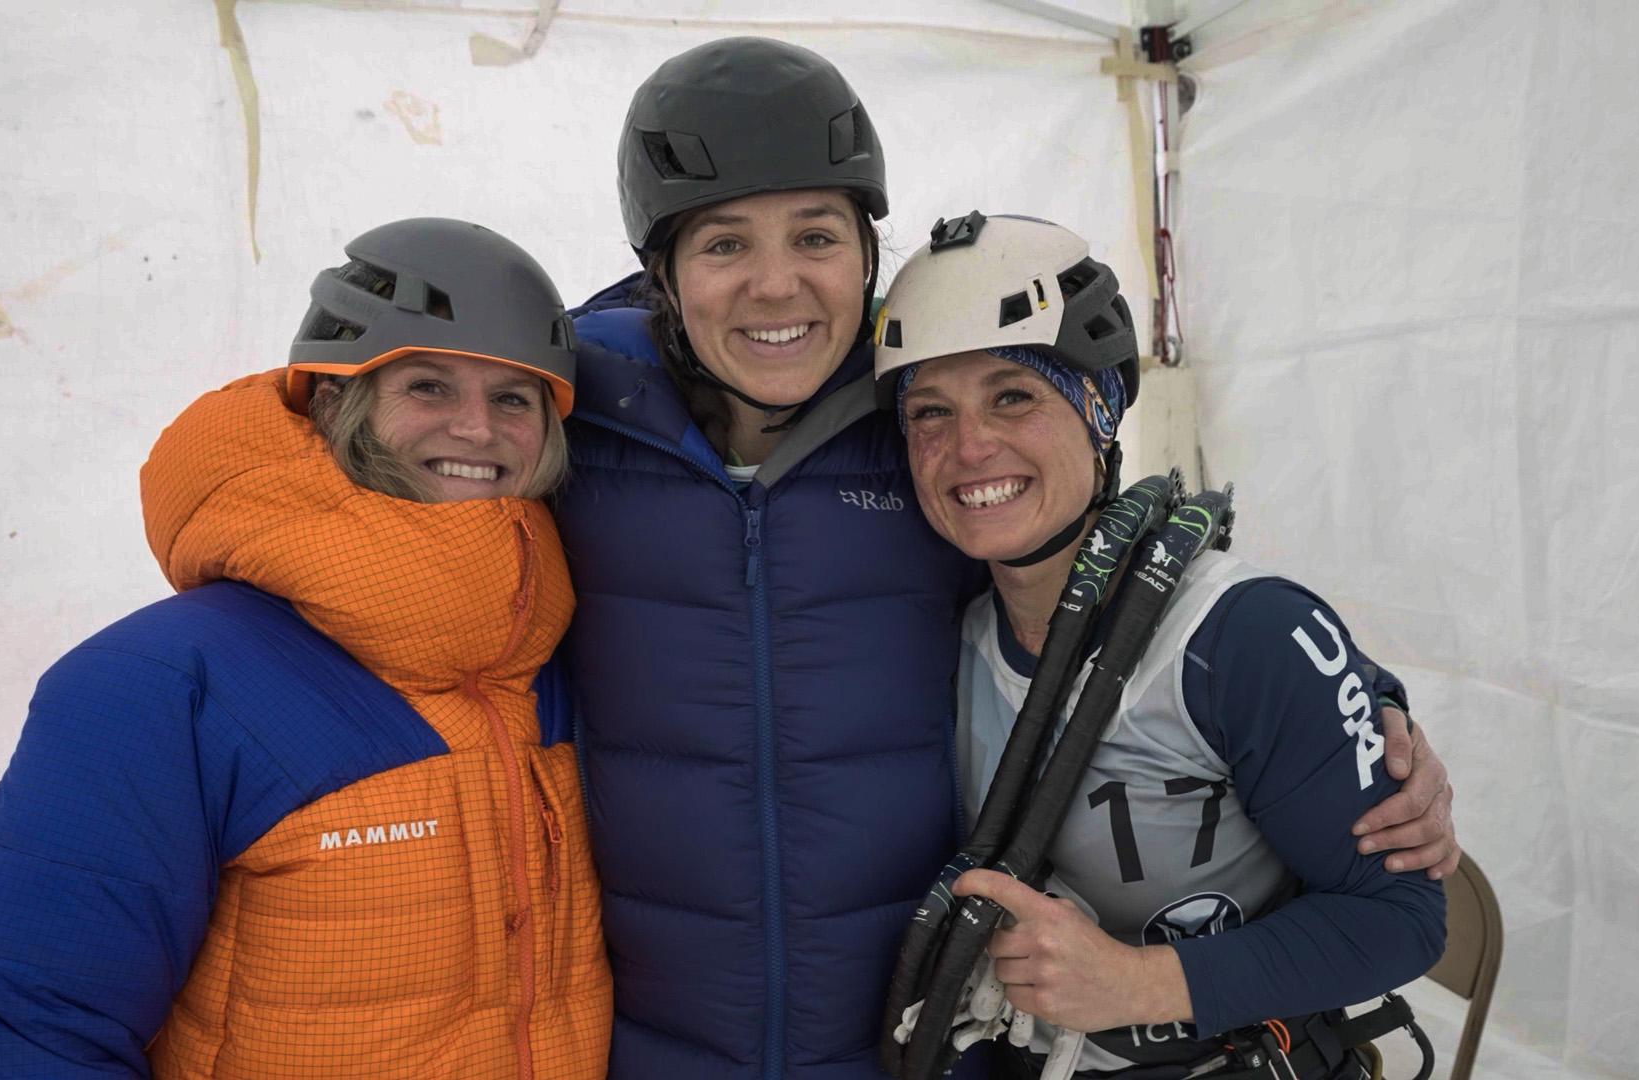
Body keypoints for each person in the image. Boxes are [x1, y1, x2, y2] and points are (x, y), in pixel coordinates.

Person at [556, 36, 1458, 1080]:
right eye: (722, 246)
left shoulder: (904, 418)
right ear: (660, 271)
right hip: (662, 1044)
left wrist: (1366, 710)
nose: (775, 285)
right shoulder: (569, 427)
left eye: (815, 234)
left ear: (864, 254)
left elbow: (1200, 625)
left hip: (907, 1046)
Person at [0, 218, 611, 1079]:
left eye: (512, 397)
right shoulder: (163, 688)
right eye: (428, 387)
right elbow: (13, 1028)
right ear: (335, 401)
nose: (476, 428)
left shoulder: (569, 665)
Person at [873, 212, 1446, 1079]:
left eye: (1013, 395)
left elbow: (1403, 918)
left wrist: (1139, 984)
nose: (969, 447)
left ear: (1099, 408)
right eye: (929, 412)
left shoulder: (1237, 633)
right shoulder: (949, 626)